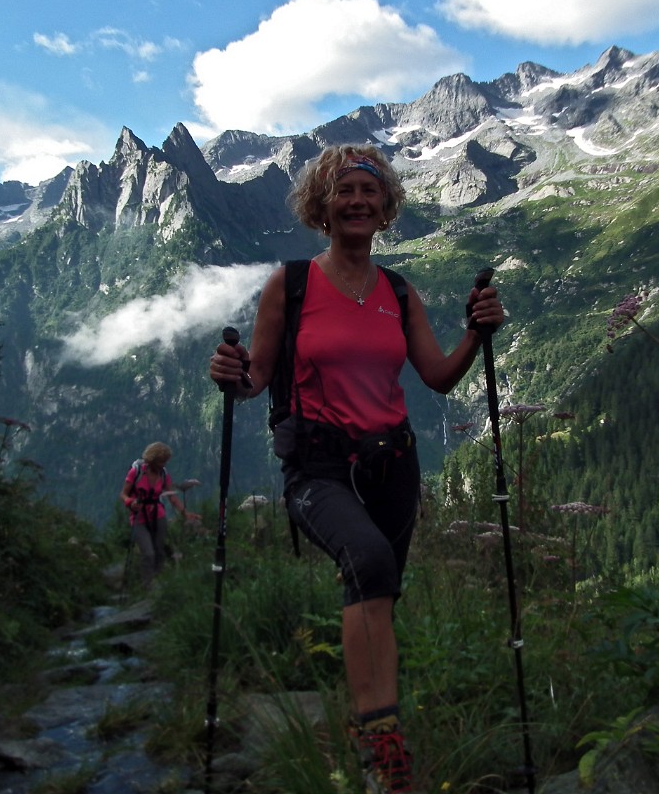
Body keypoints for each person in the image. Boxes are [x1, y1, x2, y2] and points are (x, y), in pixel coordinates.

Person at [209, 144, 504, 793]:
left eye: (370, 193)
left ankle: (370, 724)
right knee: (368, 563)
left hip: (393, 462)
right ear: (323, 205)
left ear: (385, 207)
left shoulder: (398, 290)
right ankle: (383, 743)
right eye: (344, 191)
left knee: (380, 586)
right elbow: (256, 376)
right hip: (316, 466)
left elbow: (438, 377)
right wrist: (232, 375)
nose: (358, 202)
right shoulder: (290, 284)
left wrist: (477, 333)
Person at [121, 441, 200, 588]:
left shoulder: (163, 474)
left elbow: (172, 497)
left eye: (165, 461)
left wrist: (185, 513)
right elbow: (124, 494)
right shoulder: (136, 472)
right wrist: (130, 503)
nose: (163, 464)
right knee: (148, 553)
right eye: (161, 461)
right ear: (152, 460)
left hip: (158, 515)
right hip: (139, 518)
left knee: (159, 551)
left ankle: (157, 582)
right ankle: (147, 586)